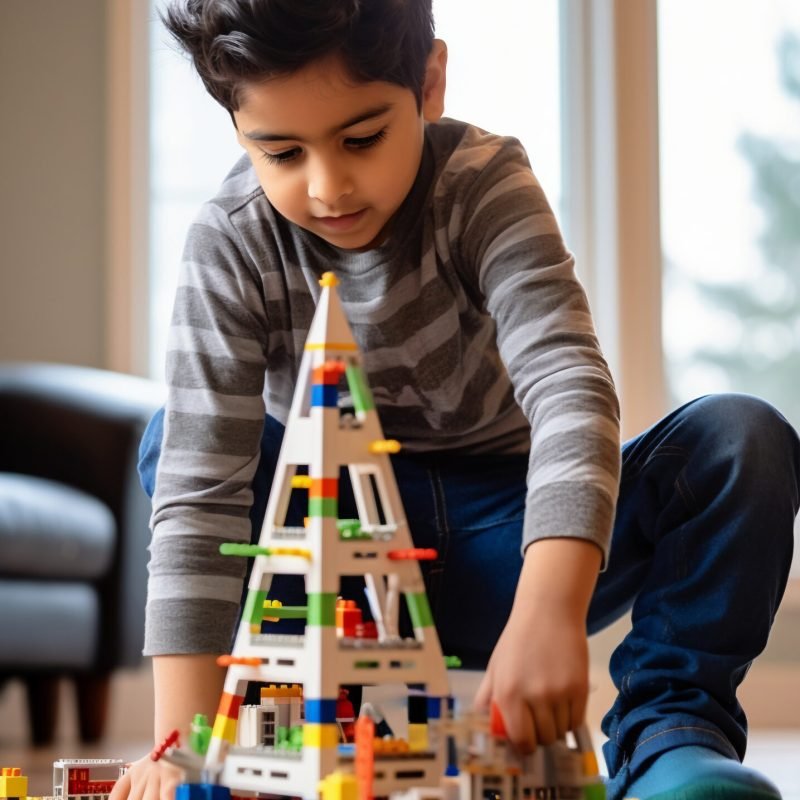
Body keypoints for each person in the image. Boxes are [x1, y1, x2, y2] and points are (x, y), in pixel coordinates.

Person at [109, 2, 800, 800]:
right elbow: (199, 499)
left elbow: (570, 384)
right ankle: (280, 739)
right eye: (282, 151)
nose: (328, 186)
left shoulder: (483, 183)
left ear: (430, 82)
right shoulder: (229, 240)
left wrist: (548, 607)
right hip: (329, 561)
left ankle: (671, 738)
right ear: (236, 127)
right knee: (176, 438)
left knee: (740, 438)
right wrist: (181, 748)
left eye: (361, 138)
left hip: (502, 542)